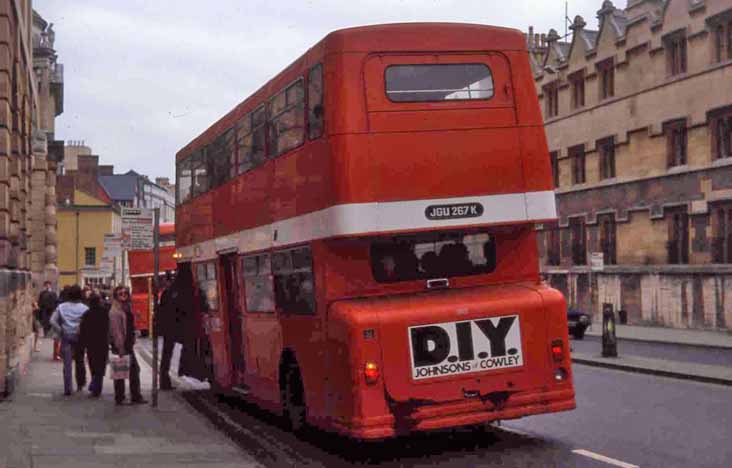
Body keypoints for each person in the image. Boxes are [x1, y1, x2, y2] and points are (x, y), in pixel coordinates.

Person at [109, 285, 147, 405]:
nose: (123, 296)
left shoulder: (126, 308)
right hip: (121, 345)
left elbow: (129, 326)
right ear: (115, 296)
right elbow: (116, 332)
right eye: (120, 294)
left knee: (133, 370)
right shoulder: (115, 311)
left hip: (128, 344)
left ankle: (131, 396)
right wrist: (120, 347)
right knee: (122, 371)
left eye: (125, 293)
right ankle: (123, 397)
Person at [49, 285, 89, 396]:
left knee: (67, 364)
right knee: (80, 361)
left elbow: (52, 320)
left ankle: (68, 388)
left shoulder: (61, 307)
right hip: (80, 337)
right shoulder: (84, 308)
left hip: (66, 335)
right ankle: (80, 384)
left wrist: (60, 330)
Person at [79, 293, 109, 398]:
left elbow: (83, 330)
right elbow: (108, 327)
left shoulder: (87, 314)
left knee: (93, 365)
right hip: (103, 342)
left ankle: (94, 384)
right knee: (101, 365)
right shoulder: (105, 312)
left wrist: (82, 344)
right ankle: (97, 386)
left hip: (91, 343)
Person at [156, 272, 180, 390]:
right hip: (170, 328)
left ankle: (164, 382)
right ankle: (164, 382)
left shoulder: (167, 293)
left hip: (168, 328)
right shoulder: (171, 293)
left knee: (167, 355)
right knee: (167, 355)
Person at [38, 281, 58, 356]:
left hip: (51, 309)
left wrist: (55, 309)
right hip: (44, 309)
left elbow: (56, 301)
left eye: (48, 284)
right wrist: (40, 307)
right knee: (45, 321)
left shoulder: (53, 293)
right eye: (46, 285)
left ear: (50, 285)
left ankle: (49, 333)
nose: (47, 286)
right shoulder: (42, 293)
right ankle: (46, 333)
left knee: (50, 321)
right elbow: (40, 301)